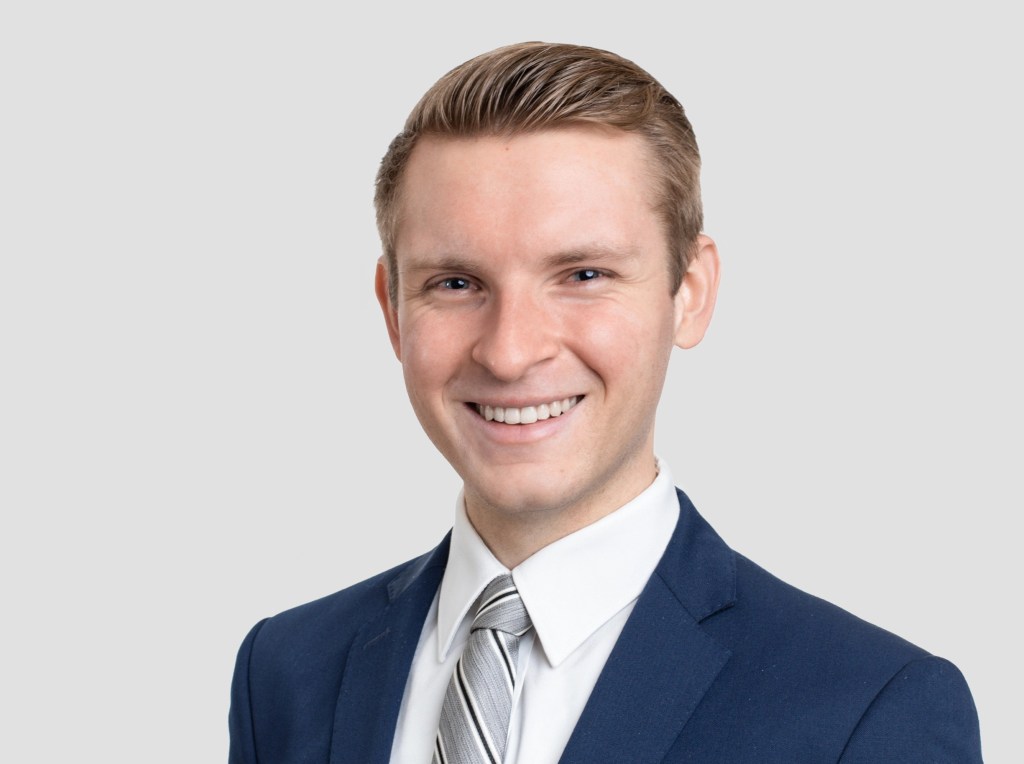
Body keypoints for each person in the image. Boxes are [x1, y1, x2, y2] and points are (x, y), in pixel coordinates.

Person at [228, 42, 982, 763]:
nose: (511, 350)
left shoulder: (866, 709)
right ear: (393, 311)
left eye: (584, 274)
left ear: (689, 291)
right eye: (455, 283)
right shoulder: (287, 672)